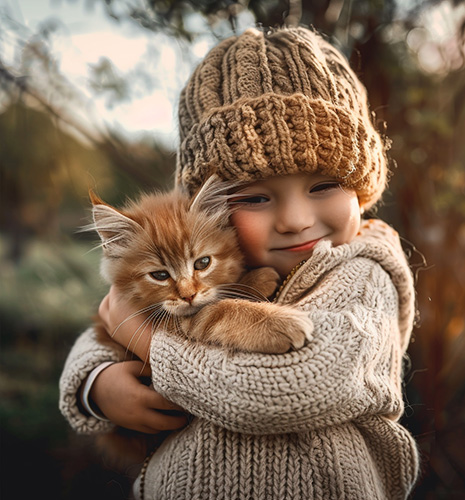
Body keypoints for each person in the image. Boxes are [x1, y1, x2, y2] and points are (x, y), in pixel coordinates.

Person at [59, 26, 420, 499]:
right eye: (255, 197)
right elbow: (102, 327)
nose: (294, 220)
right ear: (210, 217)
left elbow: (289, 391)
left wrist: (149, 345)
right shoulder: (220, 269)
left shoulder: (366, 271)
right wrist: (95, 385)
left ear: (361, 189)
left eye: (323, 186)